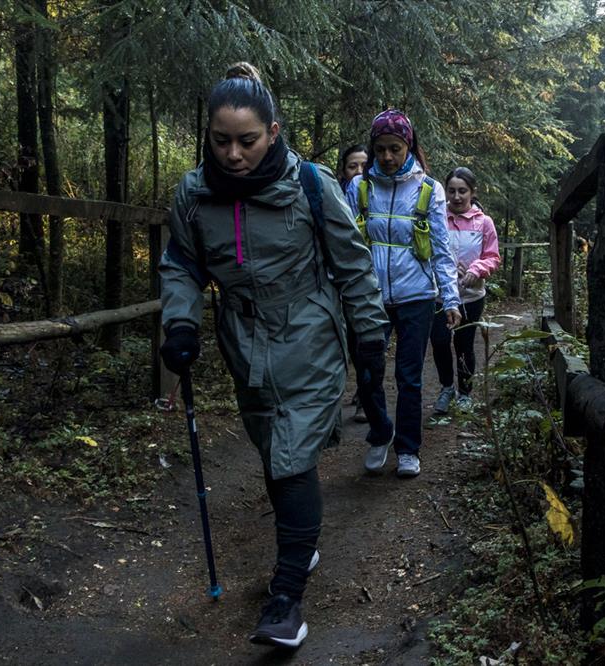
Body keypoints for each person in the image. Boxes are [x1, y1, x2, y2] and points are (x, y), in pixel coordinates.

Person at [157, 63, 388, 649]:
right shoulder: (193, 194)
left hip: (308, 330)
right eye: (221, 140)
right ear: (207, 134)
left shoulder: (310, 184)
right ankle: (300, 543)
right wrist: (181, 322)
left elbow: (352, 262)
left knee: (290, 457)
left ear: (274, 132)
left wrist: (368, 336)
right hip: (243, 338)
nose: (233, 153)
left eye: (248, 140)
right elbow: (181, 265)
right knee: (270, 447)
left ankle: (286, 599)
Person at [345, 109, 461, 478]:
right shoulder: (359, 188)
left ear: (408, 145)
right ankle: (380, 431)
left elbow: (442, 248)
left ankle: (408, 447)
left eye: (394, 148)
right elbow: (345, 244)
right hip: (371, 297)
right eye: (380, 149)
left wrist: (451, 297)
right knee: (368, 370)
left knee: (409, 375)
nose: (387, 157)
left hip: (417, 297)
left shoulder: (429, 189)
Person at [431, 167, 501, 414]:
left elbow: (492, 256)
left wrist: (477, 269)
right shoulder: (436, 218)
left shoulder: (484, 222)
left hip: (471, 296)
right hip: (438, 295)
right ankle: (446, 387)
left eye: (462, 191)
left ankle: (465, 393)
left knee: (464, 344)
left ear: (472, 192)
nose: (457, 196)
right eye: (452, 191)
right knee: (439, 342)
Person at [337, 143, 371, 424]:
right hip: (337, 281)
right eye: (352, 166)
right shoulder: (331, 196)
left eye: (364, 166)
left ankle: (364, 394)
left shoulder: (380, 197)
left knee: (363, 341)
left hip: (368, 281)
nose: (359, 172)